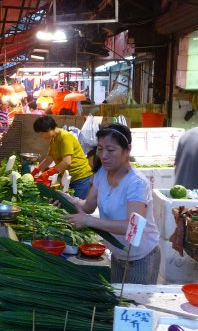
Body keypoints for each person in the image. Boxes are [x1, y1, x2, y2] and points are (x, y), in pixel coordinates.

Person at [57, 124, 160, 284]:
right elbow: (87, 207)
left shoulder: (137, 183)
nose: (103, 155)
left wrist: (88, 221)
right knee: (119, 303)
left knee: (133, 304)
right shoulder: (102, 174)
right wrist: (67, 199)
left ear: (127, 150)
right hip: (118, 253)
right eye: (100, 149)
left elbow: (132, 227)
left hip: (141, 257)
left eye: (110, 150)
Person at [33, 116, 93, 199]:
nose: (42, 136)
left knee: (77, 206)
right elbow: (49, 159)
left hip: (80, 176)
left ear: (49, 128)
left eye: (42, 133)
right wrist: (36, 170)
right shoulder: (54, 139)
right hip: (69, 177)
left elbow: (67, 161)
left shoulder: (65, 137)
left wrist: (48, 173)